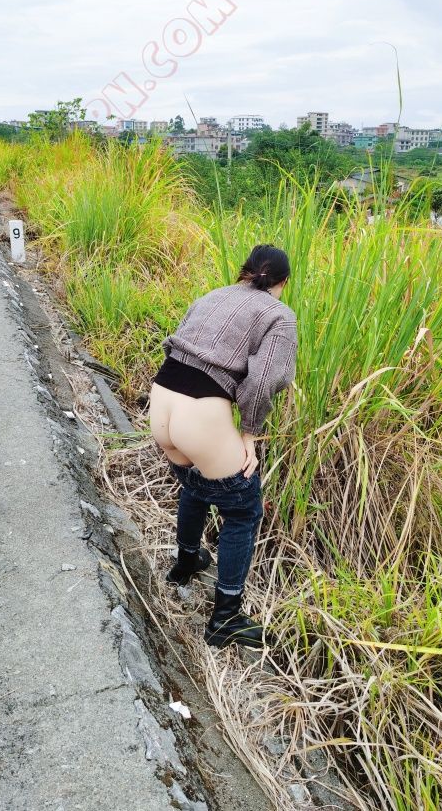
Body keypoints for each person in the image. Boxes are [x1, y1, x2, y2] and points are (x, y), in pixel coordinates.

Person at [149, 244, 297, 649]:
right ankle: (225, 618)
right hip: (197, 414)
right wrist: (249, 432)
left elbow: (175, 344)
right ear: (283, 282)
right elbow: (264, 380)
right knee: (244, 509)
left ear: (244, 271)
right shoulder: (279, 315)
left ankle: (186, 563)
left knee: (196, 482)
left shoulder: (214, 295)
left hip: (161, 401)